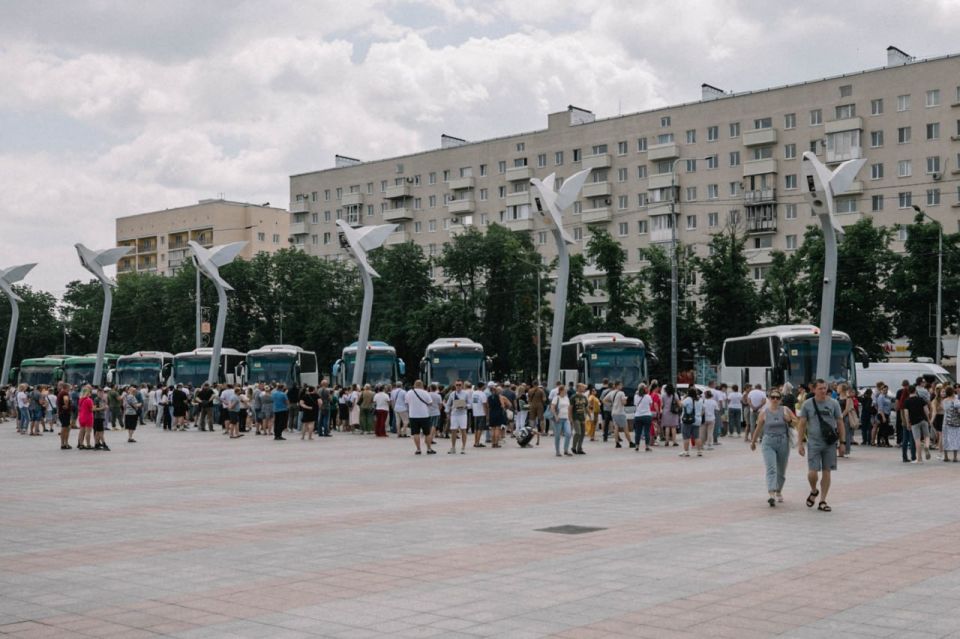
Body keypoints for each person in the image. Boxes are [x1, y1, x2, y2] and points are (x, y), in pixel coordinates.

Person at [797, 379, 845, 512]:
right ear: (814, 389)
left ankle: (823, 500)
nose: (823, 391)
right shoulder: (807, 404)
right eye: (820, 388)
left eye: (825, 388)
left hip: (830, 443)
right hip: (814, 443)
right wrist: (800, 443)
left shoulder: (834, 403)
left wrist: (842, 443)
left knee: (827, 471)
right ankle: (814, 490)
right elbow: (802, 424)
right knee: (812, 473)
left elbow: (840, 422)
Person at [750, 389, 796, 507]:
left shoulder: (785, 410)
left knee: (781, 470)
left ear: (781, 399)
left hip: (783, 442)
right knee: (771, 468)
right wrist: (753, 442)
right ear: (769, 399)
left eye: (777, 397)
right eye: (773, 397)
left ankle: (778, 490)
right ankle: (771, 494)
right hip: (768, 442)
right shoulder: (764, 412)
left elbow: (797, 422)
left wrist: (789, 419)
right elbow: (758, 428)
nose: (775, 399)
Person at [901, 384, 931, 464]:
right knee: (927, 436)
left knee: (917, 440)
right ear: (915, 391)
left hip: (914, 422)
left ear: (908, 392)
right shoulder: (921, 399)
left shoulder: (907, 401)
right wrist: (928, 420)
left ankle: (919, 459)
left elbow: (906, 414)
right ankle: (926, 446)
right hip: (923, 420)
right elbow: (926, 410)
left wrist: (908, 423)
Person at [406, 380, 435, 455]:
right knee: (427, 433)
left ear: (414, 385)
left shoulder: (409, 393)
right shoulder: (425, 392)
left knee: (416, 433)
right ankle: (429, 449)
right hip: (424, 415)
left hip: (413, 415)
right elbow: (430, 403)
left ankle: (418, 449)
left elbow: (407, 402)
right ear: (422, 385)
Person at [446, 380, 470, 454]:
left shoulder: (466, 394)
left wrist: (465, 406)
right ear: (455, 385)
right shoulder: (452, 394)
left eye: (460, 385)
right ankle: (453, 447)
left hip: (463, 414)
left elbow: (470, 404)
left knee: (463, 430)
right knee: (453, 431)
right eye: (457, 385)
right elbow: (448, 404)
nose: (458, 386)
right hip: (454, 414)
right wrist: (447, 412)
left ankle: (463, 448)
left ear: (462, 385)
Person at [679, 386, 703, 457]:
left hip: (688, 420)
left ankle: (686, 452)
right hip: (697, 419)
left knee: (686, 436)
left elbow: (681, 405)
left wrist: (682, 399)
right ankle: (699, 451)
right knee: (697, 436)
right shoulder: (700, 400)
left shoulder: (688, 399)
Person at [550, 384, 572, 457]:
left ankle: (566, 450)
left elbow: (568, 408)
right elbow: (552, 407)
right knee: (557, 436)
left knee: (568, 433)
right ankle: (558, 451)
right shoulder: (556, 398)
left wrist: (570, 417)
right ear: (561, 391)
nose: (566, 391)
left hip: (566, 418)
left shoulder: (567, 398)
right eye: (565, 390)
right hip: (558, 419)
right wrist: (556, 416)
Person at [610, 381, 632, 449]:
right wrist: (626, 399)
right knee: (625, 428)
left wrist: (612, 404)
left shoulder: (611, 392)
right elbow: (624, 403)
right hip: (620, 413)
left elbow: (604, 399)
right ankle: (630, 442)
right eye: (621, 385)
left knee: (616, 428)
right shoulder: (621, 393)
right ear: (617, 386)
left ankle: (617, 443)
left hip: (614, 412)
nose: (622, 386)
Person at [942, 386, 960, 462]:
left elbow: (944, 409)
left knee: (945, 438)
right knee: (955, 438)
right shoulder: (956, 401)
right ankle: (955, 457)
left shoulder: (944, 401)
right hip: (955, 422)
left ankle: (945, 456)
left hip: (946, 422)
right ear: (953, 392)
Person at [633, 384, 653, 452]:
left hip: (638, 416)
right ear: (645, 389)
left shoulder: (635, 396)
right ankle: (647, 446)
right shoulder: (648, 396)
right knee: (647, 432)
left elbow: (635, 404)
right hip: (647, 415)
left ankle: (637, 446)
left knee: (638, 432)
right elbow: (650, 405)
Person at [487, 383, 507, 449]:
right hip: (498, 413)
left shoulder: (489, 398)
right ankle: (496, 443)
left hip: (491, 413)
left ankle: (493, 443)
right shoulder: (499, 397)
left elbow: (488, 407)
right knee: (497, 428)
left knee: (492, 429)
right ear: (495, 391)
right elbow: (503, 405)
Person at [570, 383, 588, 455]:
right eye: (582, 387)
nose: (584, 388)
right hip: (575, 417)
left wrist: (589, 415)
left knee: (583, 433)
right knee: (578, 432)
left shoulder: (584, 397)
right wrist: (570, 418)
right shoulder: (573, 397)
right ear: (578, 388)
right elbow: (570, 408)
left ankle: (579, 448)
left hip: (582, 417)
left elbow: (585, 407)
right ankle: (573, 447)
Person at [55, 383, 72, 450]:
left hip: (62, 413)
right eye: (69, 388)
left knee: (66, 427)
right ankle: (64, 443)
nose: (70, 389)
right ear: (66, 388)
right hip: (65, 413)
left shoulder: (60, 393)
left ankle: (64, 443)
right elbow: (66, 399)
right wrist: (67, 405)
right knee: (65, 428)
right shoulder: (65, 393)